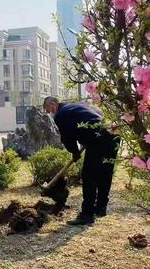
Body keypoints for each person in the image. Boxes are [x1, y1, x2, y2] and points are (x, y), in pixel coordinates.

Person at [43, 96, 120, 226]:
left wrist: (74, 152)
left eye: (48, 110)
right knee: (105, 173)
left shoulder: (61, 114)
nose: (49, 113)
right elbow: (98, 115)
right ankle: (101, 208)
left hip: (98, 138)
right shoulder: (78, 105)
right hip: (113, 133)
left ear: (52, 106)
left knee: (89, 176)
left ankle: (87, 214)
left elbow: (67, 138)